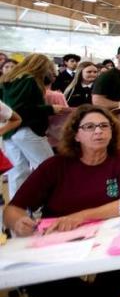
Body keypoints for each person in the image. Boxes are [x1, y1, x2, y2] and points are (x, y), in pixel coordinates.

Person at [3, 105, 120, 297]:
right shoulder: (55, 166)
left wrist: (79, 217)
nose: (98, 132)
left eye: (104, 126)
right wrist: (17, 221)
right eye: (89, 127)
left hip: (108, 235)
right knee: (33, 280)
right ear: (75, 134)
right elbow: (14, 208)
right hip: (57, 238)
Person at [0, 53, 68, 197]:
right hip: (28, 129)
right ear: (41, 66)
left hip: (9, 132)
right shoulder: (29, 80)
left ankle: (18, 207)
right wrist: (50, 108)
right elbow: (22, 109)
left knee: (18, 172)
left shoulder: (7, 80)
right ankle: (51, 203)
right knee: (48, 168)